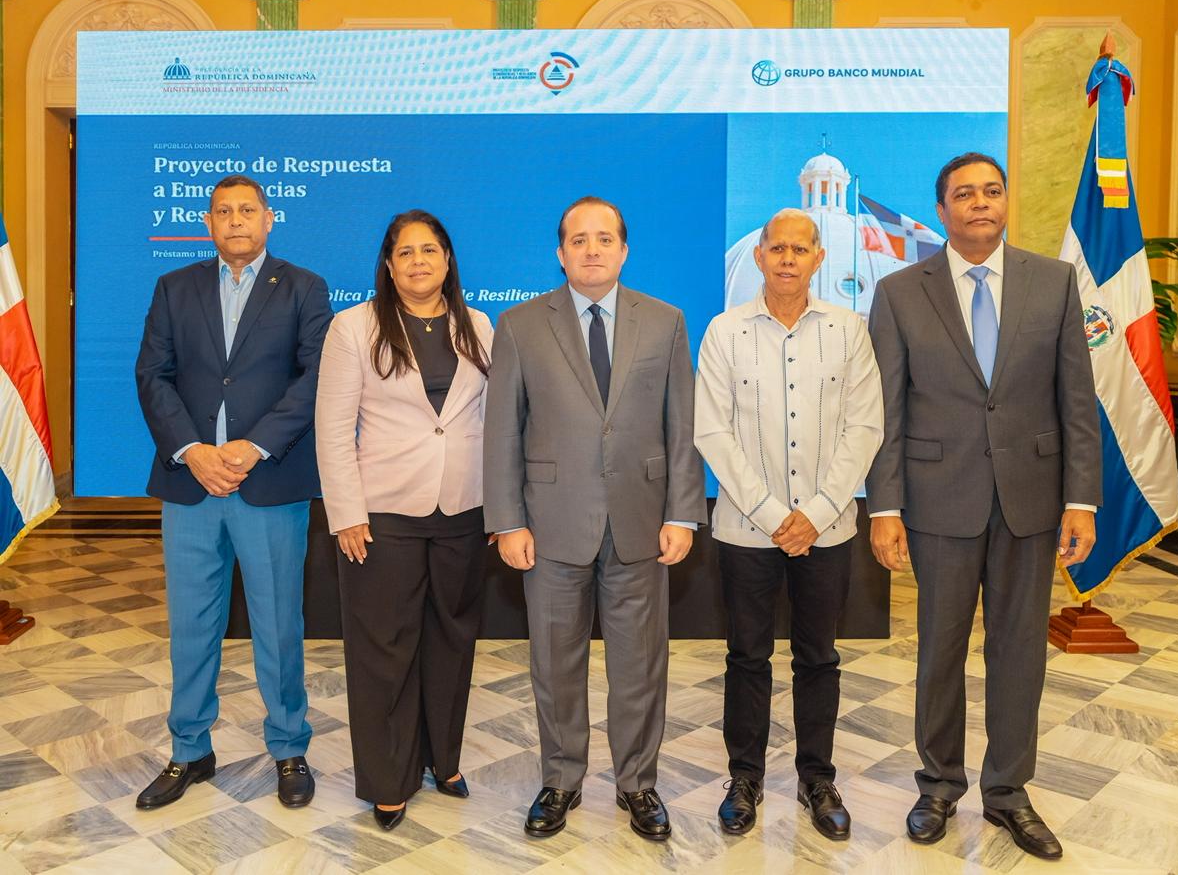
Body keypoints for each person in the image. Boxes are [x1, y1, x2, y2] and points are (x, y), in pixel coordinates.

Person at [865, 152, 1102, 861]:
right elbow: (885, 410)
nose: (980, 203)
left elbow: (1076, 401)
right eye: (964, 194)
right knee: (940, 649)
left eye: (991, 191)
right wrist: (884, 507)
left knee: (1020, 651)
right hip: (939, 501)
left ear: (1005, 202)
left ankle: (1008, 792)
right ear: (941, 210)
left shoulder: (1053, 281)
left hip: (1032, 500)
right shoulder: (899, 292)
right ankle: (938, 785)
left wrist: (1081, 500)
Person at [483, 196, 705, 841]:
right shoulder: (521, 324)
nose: (592, 250)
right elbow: (503, 431)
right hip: (550, 525)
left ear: (624, 250)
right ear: (560, 253)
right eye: (578, 240)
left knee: (640, 664)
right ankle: (561, 780)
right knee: (555, 664)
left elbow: (682, 424)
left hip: (642, 521)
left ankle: (638, 784)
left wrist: (684, 513)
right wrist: (507, 521)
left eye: (604, 238)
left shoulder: (665, 321)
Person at [134, 174, 332, 810]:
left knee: (278, 625)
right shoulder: (175, 287)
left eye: (248, 209)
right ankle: (189, 749)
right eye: (224, 211)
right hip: (190, 484)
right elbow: (153, 375)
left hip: (268, 480)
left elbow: (315, 377)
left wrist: (253, 446)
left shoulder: (304, 287)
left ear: (269, 219)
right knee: (191, 627)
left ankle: (289, 748)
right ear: (209, 223)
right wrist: (193, 451)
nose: (236, 220)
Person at [695, 208, 884, 841]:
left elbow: (865, 428)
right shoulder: (724, 331)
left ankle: (816, 779)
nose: (786, 259)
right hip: (746, 531)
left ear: (818, 258)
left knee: (819, 657)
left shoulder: (849, 331)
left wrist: (818, 513)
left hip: (828, 532)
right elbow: (711, 432)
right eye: (776, 248)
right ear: (759, 256)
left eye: (799, 249)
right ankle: (744, 779)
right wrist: (778, 516)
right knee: (747, 656)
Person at [316, 209, 493, 832]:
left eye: (430, 250)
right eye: (405, 252)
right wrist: (345, 512)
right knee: (384, 650)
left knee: (451, 642)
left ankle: (442, 760)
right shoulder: (354, 327)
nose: (419, 262)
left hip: (463, 509)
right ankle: (389, 780)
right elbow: (333, 428)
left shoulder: (479, 325)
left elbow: (490, 421)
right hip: (382, 512)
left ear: (448, 260)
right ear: (388, 266)